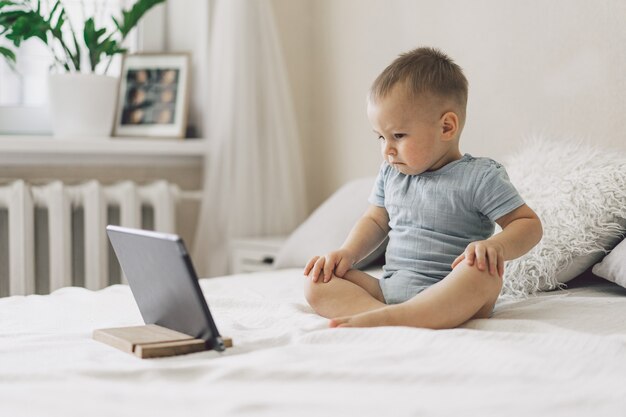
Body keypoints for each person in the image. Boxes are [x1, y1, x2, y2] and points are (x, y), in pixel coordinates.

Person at [303, 47, 543, 329]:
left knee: (483, 274)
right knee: (316, 280)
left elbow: (528, 224)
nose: (387, 150)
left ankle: (394, 317)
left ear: (446, 127)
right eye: (380, 137)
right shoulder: (392, 174)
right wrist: (347, 253)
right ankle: (385, 314)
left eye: (398, 135)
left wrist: (494, 246)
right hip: (389, 291)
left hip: (451, 291)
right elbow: (374, 220)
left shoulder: (480, 177)